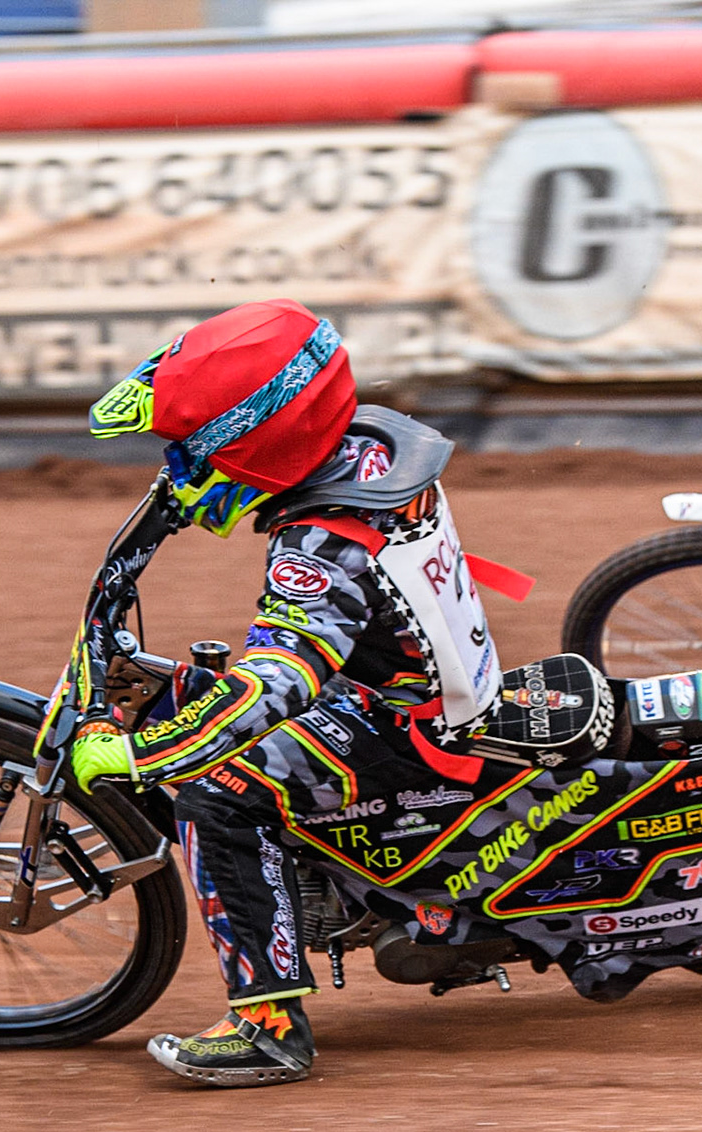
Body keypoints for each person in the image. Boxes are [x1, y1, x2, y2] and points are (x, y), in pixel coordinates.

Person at [66, 298, 506, 1086]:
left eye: (192, 453)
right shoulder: (364, 446)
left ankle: (267, 1026)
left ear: (256, 442)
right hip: (425, 684)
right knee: (203, 694)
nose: (179, 472)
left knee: (213, 790)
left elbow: (284, 678)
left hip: (405, 726)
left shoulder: (322, 542)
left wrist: (141, 753)